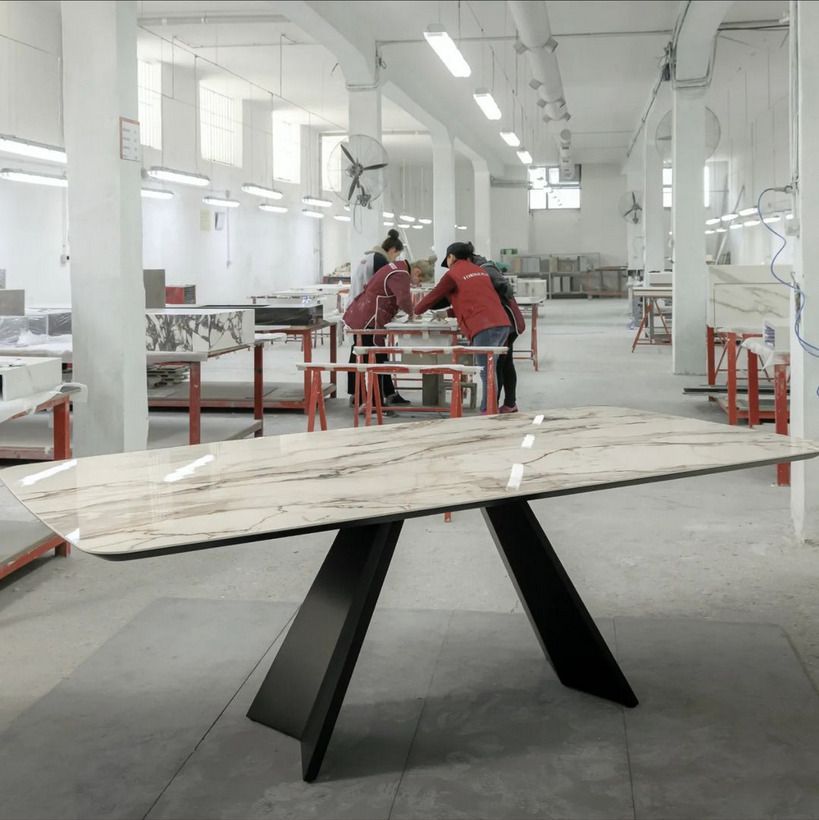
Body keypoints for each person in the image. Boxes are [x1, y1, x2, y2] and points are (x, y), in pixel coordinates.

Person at [414, 241, 511, 413]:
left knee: (486, 371)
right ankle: (489, 408)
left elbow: (433, 296)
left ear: (451, 257)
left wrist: (415, 310)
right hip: (501, 324)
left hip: (484, 325)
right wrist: (447, 313)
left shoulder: (453, 274)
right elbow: (474, 300)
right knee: (491, 369)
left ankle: (488, 411)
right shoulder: (480, 271)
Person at [343, 258, 424, 406]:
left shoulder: (395, 267)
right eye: (419, 278)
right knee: (374, 358)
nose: (417, 283)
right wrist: (413, 314)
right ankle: (371, 400)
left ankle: (384, 393)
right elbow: (404, 299)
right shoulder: (401, 273)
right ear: (417, 270)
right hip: (369, 319)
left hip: (363, 314)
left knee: (374, 355)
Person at [472, 253, 525, 413]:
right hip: (505, 323)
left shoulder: (486, 270)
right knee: (503, 363)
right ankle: (508, 404)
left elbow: (506, 289)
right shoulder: (483, 269)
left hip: (505, 324)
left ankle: (494, 405)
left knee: (499, 365)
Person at [350, 229, 404, 299]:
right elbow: (384, 287)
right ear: (393, 250)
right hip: (362, 302)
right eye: (396, 255)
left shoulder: (370, 256)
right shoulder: (380, 260)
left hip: (354, 300)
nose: (395, 259)